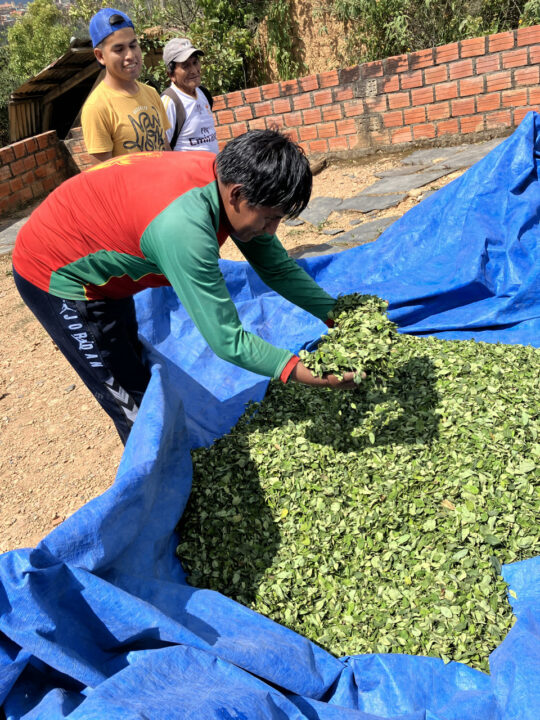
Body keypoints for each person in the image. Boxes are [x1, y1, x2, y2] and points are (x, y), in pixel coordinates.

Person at [12, 130, 356, 445]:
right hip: (57, 272)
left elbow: (277, 268)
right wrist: (307, 371)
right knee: (130, 399)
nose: (271, 231)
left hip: (95, 246)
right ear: (237, 195)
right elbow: (227, 340)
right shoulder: (185, 230)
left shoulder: (229, 181)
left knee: (129, 354)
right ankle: (163, 486)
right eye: (269, 219)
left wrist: (339, 316)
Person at [81, 7, 170, 164]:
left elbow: (166, 150)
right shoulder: (97, 108)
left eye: (133, 45)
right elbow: (103, 178)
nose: (130, 55)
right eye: (119, 49)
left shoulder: (151, 93)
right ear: (100, 56)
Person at [160, 37, 218, 154]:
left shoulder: (203, 94)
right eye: (186, 66)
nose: (194, 70)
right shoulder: (170, 102)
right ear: (171, 75)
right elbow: (163, 149)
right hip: (188, 172)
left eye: (195, 62)